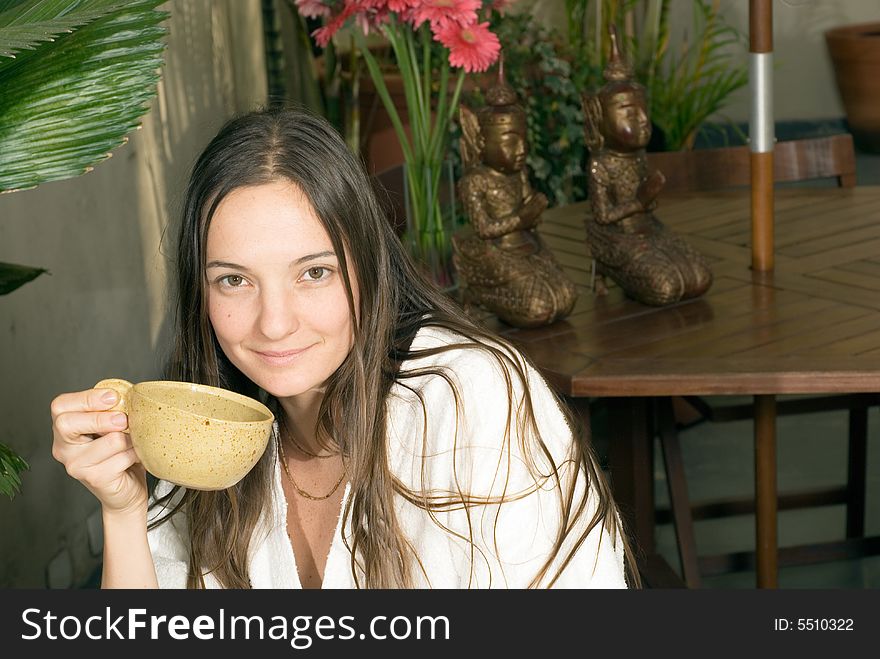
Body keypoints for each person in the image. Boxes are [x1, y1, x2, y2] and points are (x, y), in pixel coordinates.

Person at [51, 108, 636, 589]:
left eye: (313, 273)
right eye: (234, 280)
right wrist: (124, 510)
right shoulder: (210, 427)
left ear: (366, 267)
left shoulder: (468, 396)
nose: (274, 324)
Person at [583, 27, 712, 306]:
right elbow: (603, 216)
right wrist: (640, 201)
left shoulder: (638, 156)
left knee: (699, 278)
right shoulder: (600, 164)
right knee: (666, 287)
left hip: (648, 227)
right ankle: (610, 270)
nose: (642, 119)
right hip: (618, 234)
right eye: (629, 112)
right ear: (600, 119)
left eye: (643, 110)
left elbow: (648, 207)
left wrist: (647, 198)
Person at [454, 68, 577, 328]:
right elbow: (484, 229)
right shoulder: (475, 181)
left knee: (566, 298)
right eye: (510, 141)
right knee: (539, 309)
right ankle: (479, 294)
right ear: (482, 142)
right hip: (494, 250)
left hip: (527, 244)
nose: (521, 150)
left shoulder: (518, 173)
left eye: (523, 140)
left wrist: (534, 207)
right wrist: (522, 216)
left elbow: (529, 207)